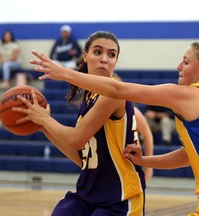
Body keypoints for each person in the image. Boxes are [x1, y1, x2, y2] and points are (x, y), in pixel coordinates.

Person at [29, 39, 199, 215]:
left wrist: (65, 73)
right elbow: (188, 154)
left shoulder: (187, 94)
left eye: (185, 61)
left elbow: (119, 89)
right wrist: (146, 161)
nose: (178, 66)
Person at [14, 31, 146, 215]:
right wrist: (43, 126)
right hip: (89, 193)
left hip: (120, 197)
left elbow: (75, 138)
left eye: (111, 55)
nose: (104, 59)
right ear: (85, 55)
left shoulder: (112, 95)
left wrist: (45, 119)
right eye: (98, 52)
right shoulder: (89, 97)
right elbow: (82, 158)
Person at [134, 106, 154, 181]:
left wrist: (148, 166)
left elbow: (147, 135)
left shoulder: (134, 112)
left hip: (130, 163)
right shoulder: (101, 111)